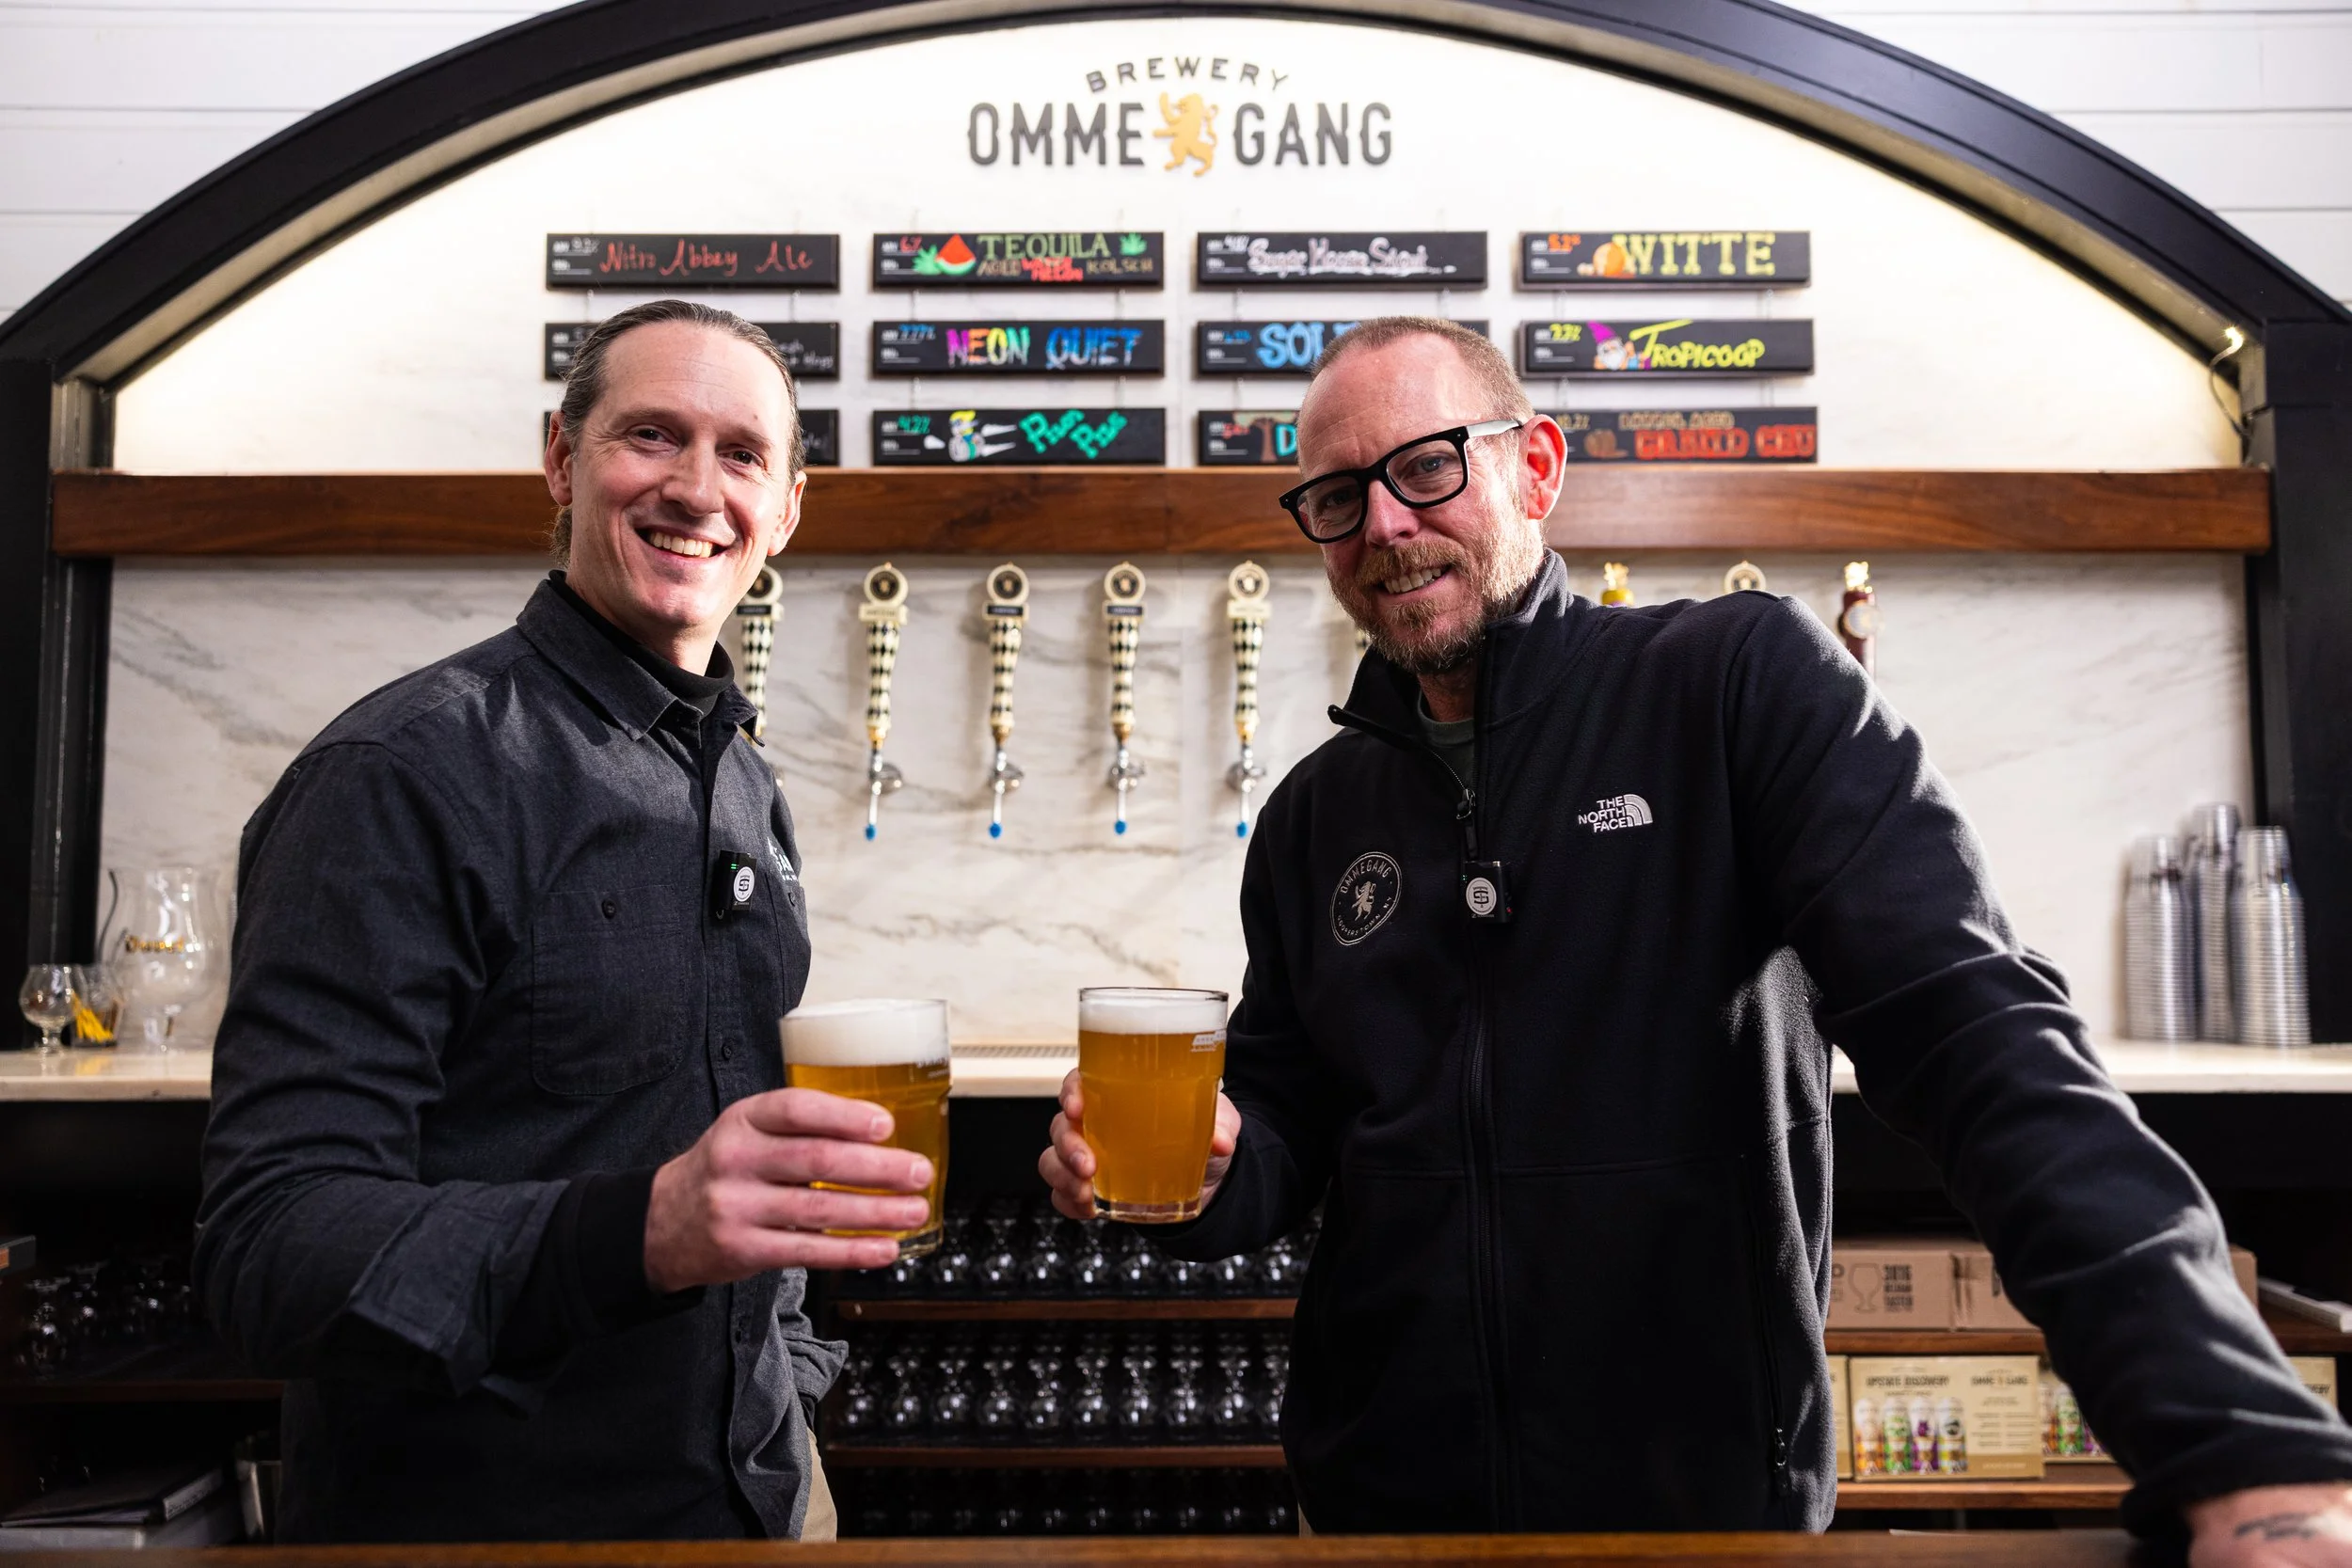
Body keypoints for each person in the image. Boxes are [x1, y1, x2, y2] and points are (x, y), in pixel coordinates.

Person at [1042, 317, 2352, 1557]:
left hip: (1701, 1504)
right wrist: (1212, 1171)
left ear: (1536, 466)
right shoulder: (1313, 816)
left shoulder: (1734, 684)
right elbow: (1287, 1123)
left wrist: (2236, 1441)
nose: (1385, 523)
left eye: (1428, 467)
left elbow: (1974, 1028)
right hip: (1377, 1509)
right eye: (1338, 497)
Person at [196, 300, 930, 1543]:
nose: (697, 487)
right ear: (560, 457)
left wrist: (791, 1388)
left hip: (760, 1501)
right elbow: (271, 1246)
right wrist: (645, 1231)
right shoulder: (401, 772)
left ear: (788, 509)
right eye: (651, 435)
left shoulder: (743, 783)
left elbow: (751, 1156)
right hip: (492, 1529)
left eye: (743, 454)